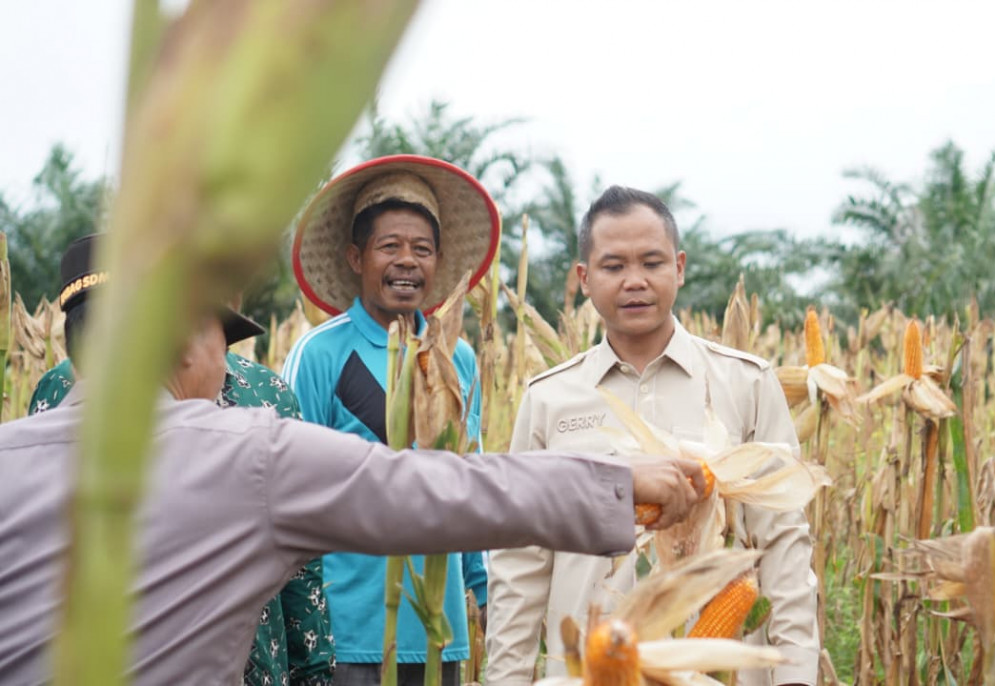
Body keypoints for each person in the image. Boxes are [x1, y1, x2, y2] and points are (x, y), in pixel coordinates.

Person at [0, 235, 706, 686]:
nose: (228, 363)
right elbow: (442, 489)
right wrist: (619, 483)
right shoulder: (247, 452)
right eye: (224, 339)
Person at [486, 186, 820, 686]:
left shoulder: (746, 383)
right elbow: (521, 563)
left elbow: (785, 549)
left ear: (679, 268)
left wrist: (795, 676)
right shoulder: (549, 399)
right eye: (614, 266)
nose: (634, 282)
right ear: (584, 278)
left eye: (652, 263)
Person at [27, 234, 336, 686]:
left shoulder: (265, 394)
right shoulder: (59, 391)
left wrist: (313, 669)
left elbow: (300, 552)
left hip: (249, 663)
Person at [283, 155, 498, 686]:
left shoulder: (457, 358)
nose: (407, 261)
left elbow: (469, 483)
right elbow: (287, 488)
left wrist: (485, 590)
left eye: (421, 249)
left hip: (439, 634)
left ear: (438, 261)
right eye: (390, 247)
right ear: (357, 257)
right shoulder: (319, 354)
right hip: (347, 635)